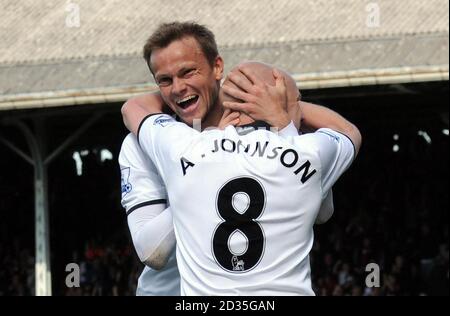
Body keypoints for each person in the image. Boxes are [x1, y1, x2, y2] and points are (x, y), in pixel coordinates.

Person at [120, 21, 354, 295]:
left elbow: (323, 214)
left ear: (217, 67)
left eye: (188, 72)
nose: (178, 88)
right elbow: (151, 252)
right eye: (165, 80)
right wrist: (205, 172)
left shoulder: (272, 129)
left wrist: (286, 108)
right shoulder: (142, 143)